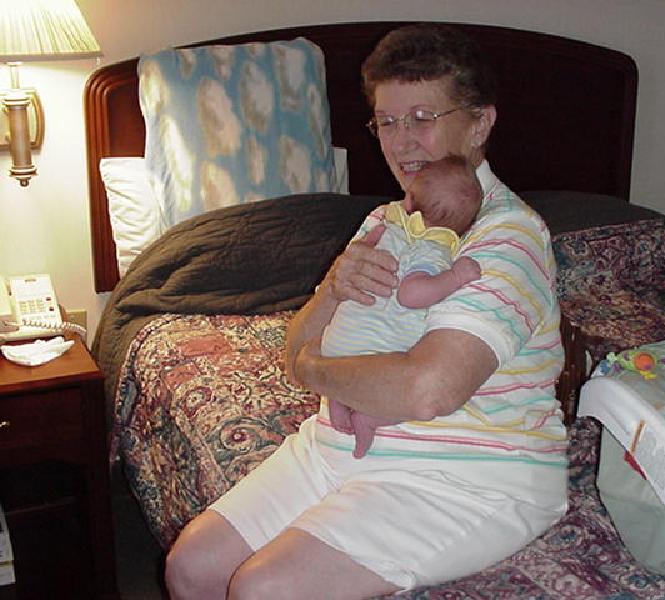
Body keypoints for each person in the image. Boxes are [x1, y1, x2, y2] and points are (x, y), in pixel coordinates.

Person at [165, 23, 567, 600]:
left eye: (422, 118)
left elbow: (427, 390)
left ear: (479, 123)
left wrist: (313, 369)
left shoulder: (507, 236)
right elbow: (295, 346)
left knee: (265, 588)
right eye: (387, 122)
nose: (402, 143)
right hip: (341, 446)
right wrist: (333, 287)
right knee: (192, 567)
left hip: (467, 474)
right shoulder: (384, 220)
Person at [324, 154, 483, 458]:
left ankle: (337, 397)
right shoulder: (432, 248)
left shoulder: (389, 228)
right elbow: (410, 294)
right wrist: (455, 277)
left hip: (339, 340)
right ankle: (370, 417)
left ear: (408, 202)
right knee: (412, 396)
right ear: (464, 228)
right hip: (373, 352)